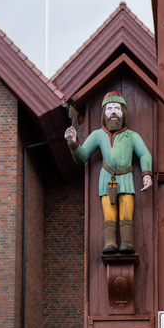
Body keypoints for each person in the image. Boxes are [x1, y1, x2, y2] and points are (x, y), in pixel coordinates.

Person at [64, 91, 152, 254]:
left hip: (126, 178)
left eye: (117, 108)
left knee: (127, 212)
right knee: (109, 213)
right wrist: (73, 143)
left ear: (123, 113)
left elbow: (144, 154)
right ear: (103, 113)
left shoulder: (131, 136)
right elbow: (82, 156)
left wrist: (147, 174)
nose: (113, 112)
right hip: (106, 180)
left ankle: (127, 242)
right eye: (109, 108)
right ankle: (110, 242)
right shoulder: (98, 135)